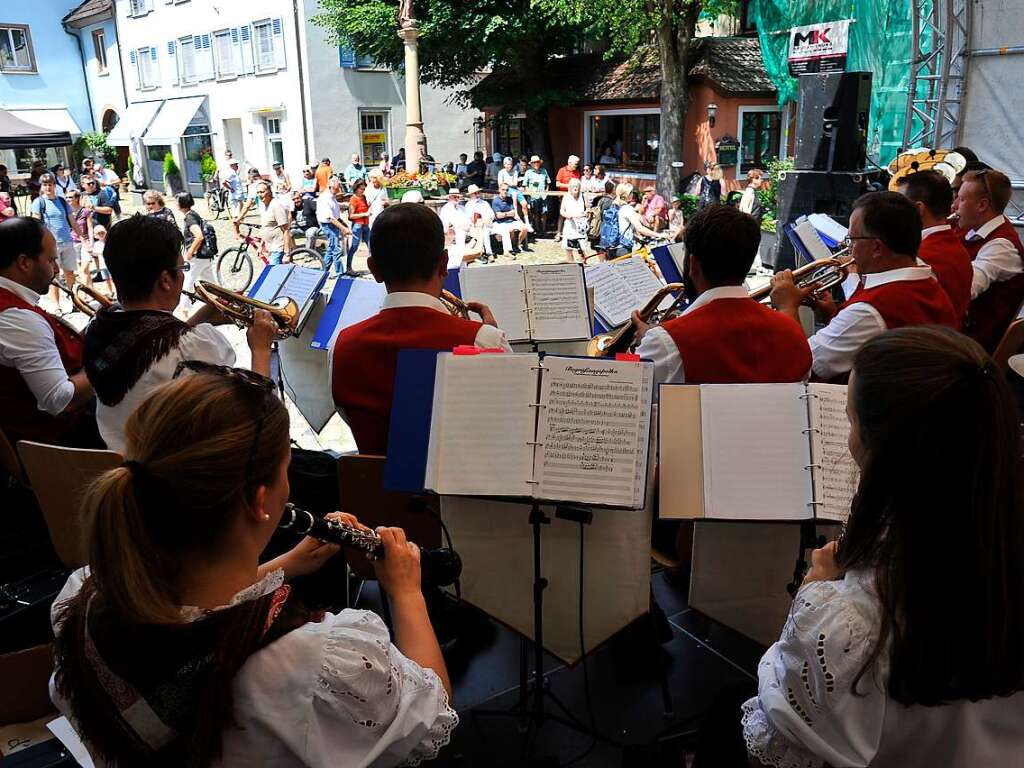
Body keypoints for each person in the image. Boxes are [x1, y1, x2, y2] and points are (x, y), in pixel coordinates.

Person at [51, 369, 457, 766]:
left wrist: (286, 565)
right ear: (260, 500)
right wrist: (405, 590)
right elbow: (433, 710)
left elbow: (198, 617)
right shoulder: (306, 662)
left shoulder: (86, 593)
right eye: (287, 466)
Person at [733, 326, 1024, 768]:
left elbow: (774, 752)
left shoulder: (850, 624)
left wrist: (814, 592)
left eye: (851, 420)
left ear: (885, 452)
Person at [83, 214, 275, 454]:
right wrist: (261, 348)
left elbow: (153, 345)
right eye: (181, 268)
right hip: (184, 477)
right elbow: (258, 417)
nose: (183, 274)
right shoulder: (190, 346)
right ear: (166, 279)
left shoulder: (99, 327)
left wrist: (200, 319)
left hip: (127, 465)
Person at [331, 203, 510, 454]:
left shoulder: (342, 345)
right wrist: (490, 342)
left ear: (374, 269)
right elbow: (507, 423)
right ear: (444, 263)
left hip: (373, 490)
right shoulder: (484, 341)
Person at [771, 191, 957, 382]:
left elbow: (800, 367)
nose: (848, 249)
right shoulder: (924, 278)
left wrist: (787, 307)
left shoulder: (869, 310)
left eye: (851, 240)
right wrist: (833, 313)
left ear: (877, 248)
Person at [633, 205, 810, 389]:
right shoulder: (794, 331)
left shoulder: (665, 342)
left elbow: (636, 402)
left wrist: (648, 342)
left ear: (693, 265)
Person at [0, 217, 96, 446]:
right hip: (60, 443)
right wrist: (110, 364)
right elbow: (59, 399)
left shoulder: (15, 308)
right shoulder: (18, 318)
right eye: (51, 260)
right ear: (24, 262)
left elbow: (49, 348)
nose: (56, 269)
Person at [954, 168, 1024, 352]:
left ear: (982, 205)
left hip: (973, 347)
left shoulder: (1001, 246)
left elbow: (964, 289)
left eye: (961, 199)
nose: (954, 205)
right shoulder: (972, 230)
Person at [895, 170, 973, 327]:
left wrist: (853, 277)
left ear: (918, 209)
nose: (892, 213)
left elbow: (900, 316)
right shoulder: (954, 245)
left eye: (898, 206)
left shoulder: (920, 257)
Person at [31, 173, 83, 306]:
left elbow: (72, 221)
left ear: (54, 185)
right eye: (45, 185)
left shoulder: (62, 201)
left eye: (50, 184)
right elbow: (35, 223)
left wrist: (82, 237)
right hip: (51, 245)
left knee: (70, 273)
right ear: (41, 187)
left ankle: (74, 302)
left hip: (67, 241)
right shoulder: (39, 202)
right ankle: (57, 305)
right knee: (54, 275)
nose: (48, 187)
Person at [233, 181, 294, 265]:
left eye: (262, 192)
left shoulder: (276, 206)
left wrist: (287, 253)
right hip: (270, 248)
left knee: (273, 275)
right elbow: (266, 228)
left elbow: (286, 229)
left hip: (278, 248)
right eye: (258, 192)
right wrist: (261, 246)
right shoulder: (264, 207)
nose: (259, 195)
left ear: (269, 192)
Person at [176, 192, 215, 291]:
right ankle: (217, 301)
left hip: (196, 257)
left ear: (181, 203)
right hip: (204, 256)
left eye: (177, 202)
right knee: (210, 285)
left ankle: (184, 306)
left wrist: (190, 252)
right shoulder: (193, 214)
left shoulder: (190, 218)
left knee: (186, 285)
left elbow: (199, 236)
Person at [612, 183, 659, 256]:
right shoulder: (627, 208)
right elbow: (640, 228)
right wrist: (659, 235)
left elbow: (622, 227)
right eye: (631, 192)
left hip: (613, 247)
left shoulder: (615, 206)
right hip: (623, 248)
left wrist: (636, 238)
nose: (632, 194)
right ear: (626, 194)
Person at [317, 178, 352, 278]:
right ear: (330, 187)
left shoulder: (332, 197)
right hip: (328, 225)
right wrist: (343, 228)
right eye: (336, 189)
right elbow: (331, 218)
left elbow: (335, 214)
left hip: (333, 224)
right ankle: (339, 273)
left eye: (338, 188)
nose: (338, 191)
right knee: (336, 249)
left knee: (331, 249)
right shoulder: (325, 198)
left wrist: (343, 224)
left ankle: (323, 271)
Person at [491, 182, 527, 256]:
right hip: (501, 222)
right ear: (499, 190)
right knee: (508, 230)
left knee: (525, 228)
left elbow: (513, 213)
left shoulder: (510, 199)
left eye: (507, 190)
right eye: (503, 189)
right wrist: (508, 214)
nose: (505, 191)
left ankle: (517, 244)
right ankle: (508, 251)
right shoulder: (496, 201)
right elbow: (498, 216)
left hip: (511, 221)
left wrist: (504, 214)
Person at [344, 178, 370, 276]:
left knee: (371, 246)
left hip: (365, 224)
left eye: (364, 189)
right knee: (354, 247)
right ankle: (349, 267)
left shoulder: (363, 197)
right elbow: (351, 216)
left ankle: (376, 267)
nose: (362, 191)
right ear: (356, 188)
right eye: (361, 189)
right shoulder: (353, 199)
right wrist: (364, 214)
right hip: (358, 225)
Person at [559, 178, 589, 262]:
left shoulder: (583, 196)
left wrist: (585, 213)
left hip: (581, 226)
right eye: (573, 186)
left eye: (577, 186)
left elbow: (588, 209)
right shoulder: (566, 196)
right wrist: (568, 215)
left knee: (582, 249)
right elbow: (562, 211)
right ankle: (571, 266)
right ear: (569, 188)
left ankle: (583, 266)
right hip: (570, 225)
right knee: (568, 248)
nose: (575, 188)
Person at [522, 155, 550, 235]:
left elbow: (548, 183)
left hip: (543, 196)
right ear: (531, 164)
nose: (536, 164)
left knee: (544, 213)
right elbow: (525, 185)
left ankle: (544, 230)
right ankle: (537, 230)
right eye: (534, 162)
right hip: (533, 197)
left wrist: (546, 192)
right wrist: (529, 193)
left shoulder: (544, 171)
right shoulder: (528, 172)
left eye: (537, 162)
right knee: (535, 214)